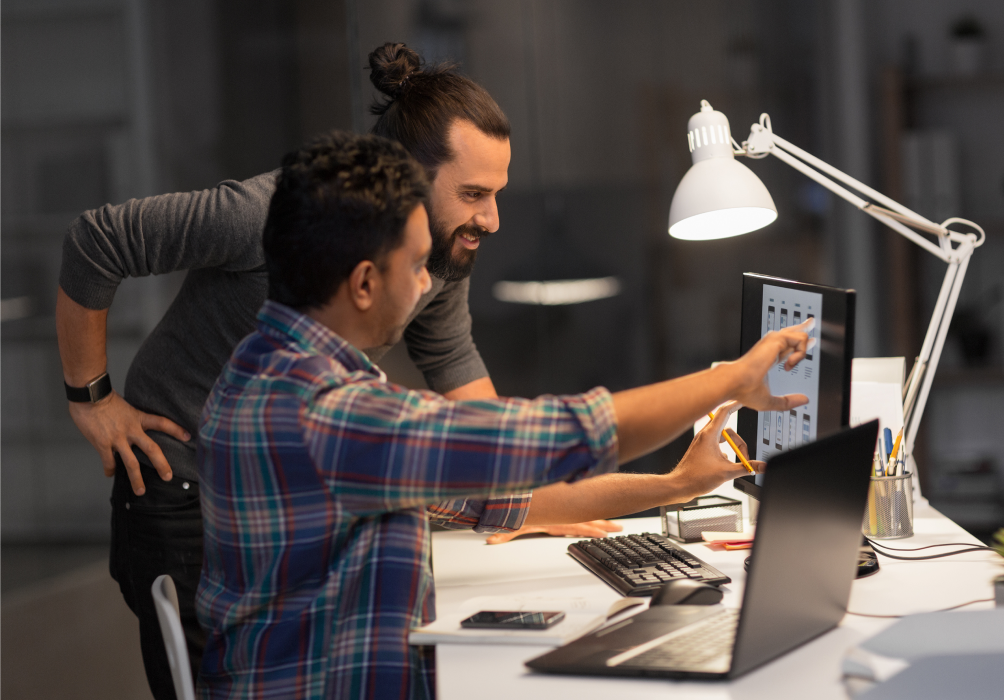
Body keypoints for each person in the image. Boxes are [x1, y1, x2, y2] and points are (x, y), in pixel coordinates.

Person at [56, 42, 610, 698]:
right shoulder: (267, 214)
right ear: (407, 176)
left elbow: (452, 360)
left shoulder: (435, 251)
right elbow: (99, 240)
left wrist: (516, 486)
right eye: (472, 193)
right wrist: (91, 398)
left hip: (290, 493)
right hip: (183, 486)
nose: (490, 218)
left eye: (495, 193)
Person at [197, 132, 810, 699]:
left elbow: (500, 497)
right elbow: (561, 436)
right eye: (415, 267)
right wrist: (730, 379)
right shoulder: (326, 411)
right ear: (363, 283)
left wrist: (676, 486)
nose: (422, 288)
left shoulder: (267, 366)